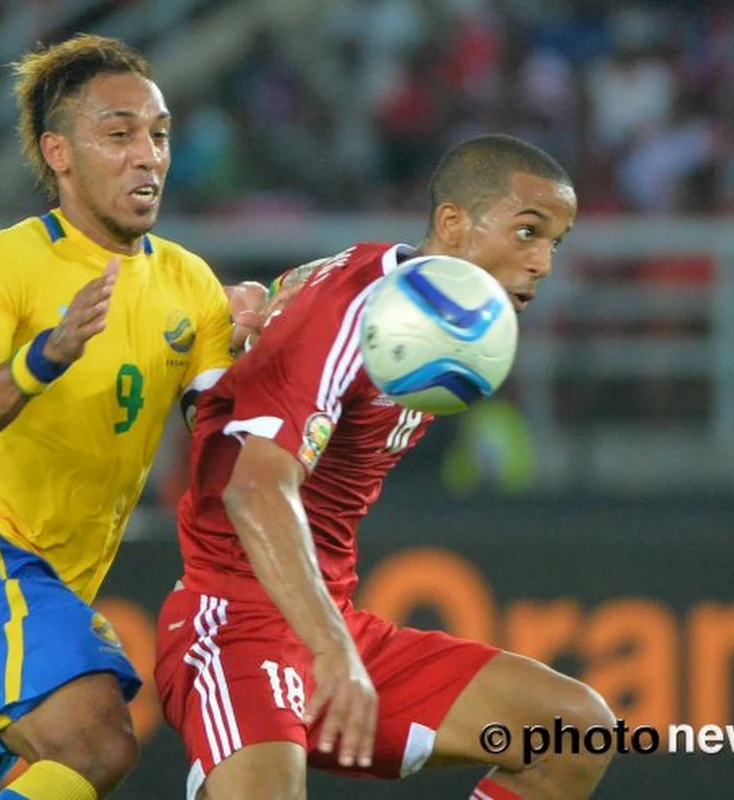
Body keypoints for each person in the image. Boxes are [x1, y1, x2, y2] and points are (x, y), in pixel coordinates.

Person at [0, 35, 264, 800]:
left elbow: (226, 441)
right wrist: (46, 354)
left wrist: (273, 345)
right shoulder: (9, 259)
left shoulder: (190, 284)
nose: (149, 157)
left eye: (159, 135)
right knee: (97, 741)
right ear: (58, 153)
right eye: (120, 134)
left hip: (42, 597)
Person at [154, 134, 617, 800]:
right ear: (454, 224)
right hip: (234, 626)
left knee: (573, 731)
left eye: (556, 242)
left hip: (329, 623)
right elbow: (254, 488)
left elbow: (238, 391)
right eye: (527, 232)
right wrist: (332, 650)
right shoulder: (357, 306)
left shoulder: (442, 327)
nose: (543, 262)